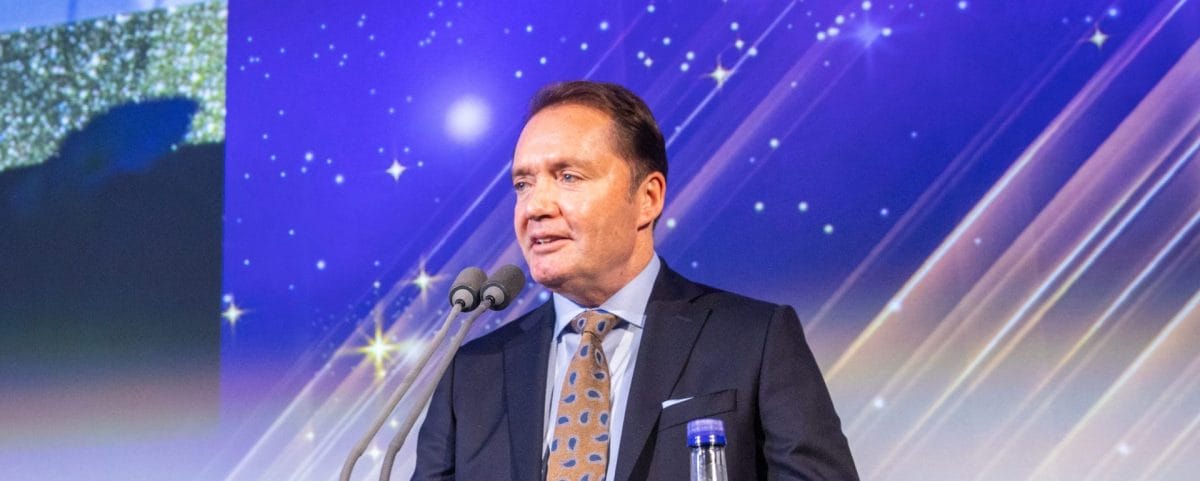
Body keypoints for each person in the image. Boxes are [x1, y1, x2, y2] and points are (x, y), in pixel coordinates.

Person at [412, 81, 858, 481]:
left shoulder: (753, 341)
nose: (535, 207)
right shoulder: (471, 373)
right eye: (523, 184)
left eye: (568, 176)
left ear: (648, 198)